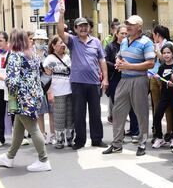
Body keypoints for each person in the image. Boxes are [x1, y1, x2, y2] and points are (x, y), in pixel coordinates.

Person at [0, 29, 52, 171]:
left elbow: (13, 81)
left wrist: (1, 78)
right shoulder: (31, 55)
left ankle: (44, 160)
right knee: (19, 128)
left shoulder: (15, 56)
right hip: (34, 95)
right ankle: (9, 157)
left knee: (33, 128)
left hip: (22, 98)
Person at [56, 8, 108, 149]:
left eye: (85, 26)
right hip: (78, 83)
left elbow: (102, 60)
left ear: (89, 28)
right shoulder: (72, 41)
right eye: (80, 26)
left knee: (95, 114)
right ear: (75, 29)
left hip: (94, 83)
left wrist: (105, 79)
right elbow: (60, 31)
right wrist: (61, 14)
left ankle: (97, 139)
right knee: (79, 114)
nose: (83, 28)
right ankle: (80, 141)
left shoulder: (96, 42)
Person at [103, 15, 155, 156]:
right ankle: (116, 144)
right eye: (127, 24)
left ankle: (142, 143)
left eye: (131, 24)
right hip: (124, 79)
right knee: (117, 112)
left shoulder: (147, 42)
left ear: (139, 26)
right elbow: (119, 55)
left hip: (139, 80)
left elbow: (150, 63)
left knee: (141, 113)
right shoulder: (125, 40)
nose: (128, 26)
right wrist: (118, 61)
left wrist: (129, 65)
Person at [104, 24, 140, 142]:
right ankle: (120, 135)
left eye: (126, 33)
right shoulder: (110, 46)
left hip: (130, 78)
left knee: (133, 106)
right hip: (115, 79)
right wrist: (116, 65)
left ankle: (135, 132)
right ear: (116, 34)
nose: (124, 36)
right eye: (122, 33)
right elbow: (104, 61)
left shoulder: (132, 45)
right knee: (118, 108)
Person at [43, 35, 74, 149]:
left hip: (70, 90)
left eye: (63, 43)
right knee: (59, 115)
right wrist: (50, 92)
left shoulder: (68, 57)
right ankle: (59, 139)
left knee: (70, 115)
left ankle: (70, 138)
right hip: (57, 91)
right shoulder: (50, 59)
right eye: (60, 43)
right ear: (53, 45)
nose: (63, 45)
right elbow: (46, 78)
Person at [150, 24, 173, 141]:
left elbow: (166, 60)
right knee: (157, 105)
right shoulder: (155, 45)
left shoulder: (168, 44)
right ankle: (156, 131)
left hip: (167, 80)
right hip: (155, 76)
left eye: (153, 34)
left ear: (157, 35)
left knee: (168, 107)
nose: (153, 36)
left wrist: (158, 53)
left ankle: (170, 132)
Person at [152, 43, 173, 148]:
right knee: (157, 115)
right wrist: (158, 79)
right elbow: (161, 83)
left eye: (168, 52)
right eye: (164, 53)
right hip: (164, 95)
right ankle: (159, 138)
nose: (166, 55)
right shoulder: (162, 66)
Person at [32, 29, 53, 144]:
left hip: (49, 83)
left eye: (43, 40)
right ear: (34, 40)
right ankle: (42, 134)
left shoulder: (49, 52)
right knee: (40, 111)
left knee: (51, 109)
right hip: (36, 84)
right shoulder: (30, 52)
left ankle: (53, 134)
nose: (40, 42)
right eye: (38, 39)